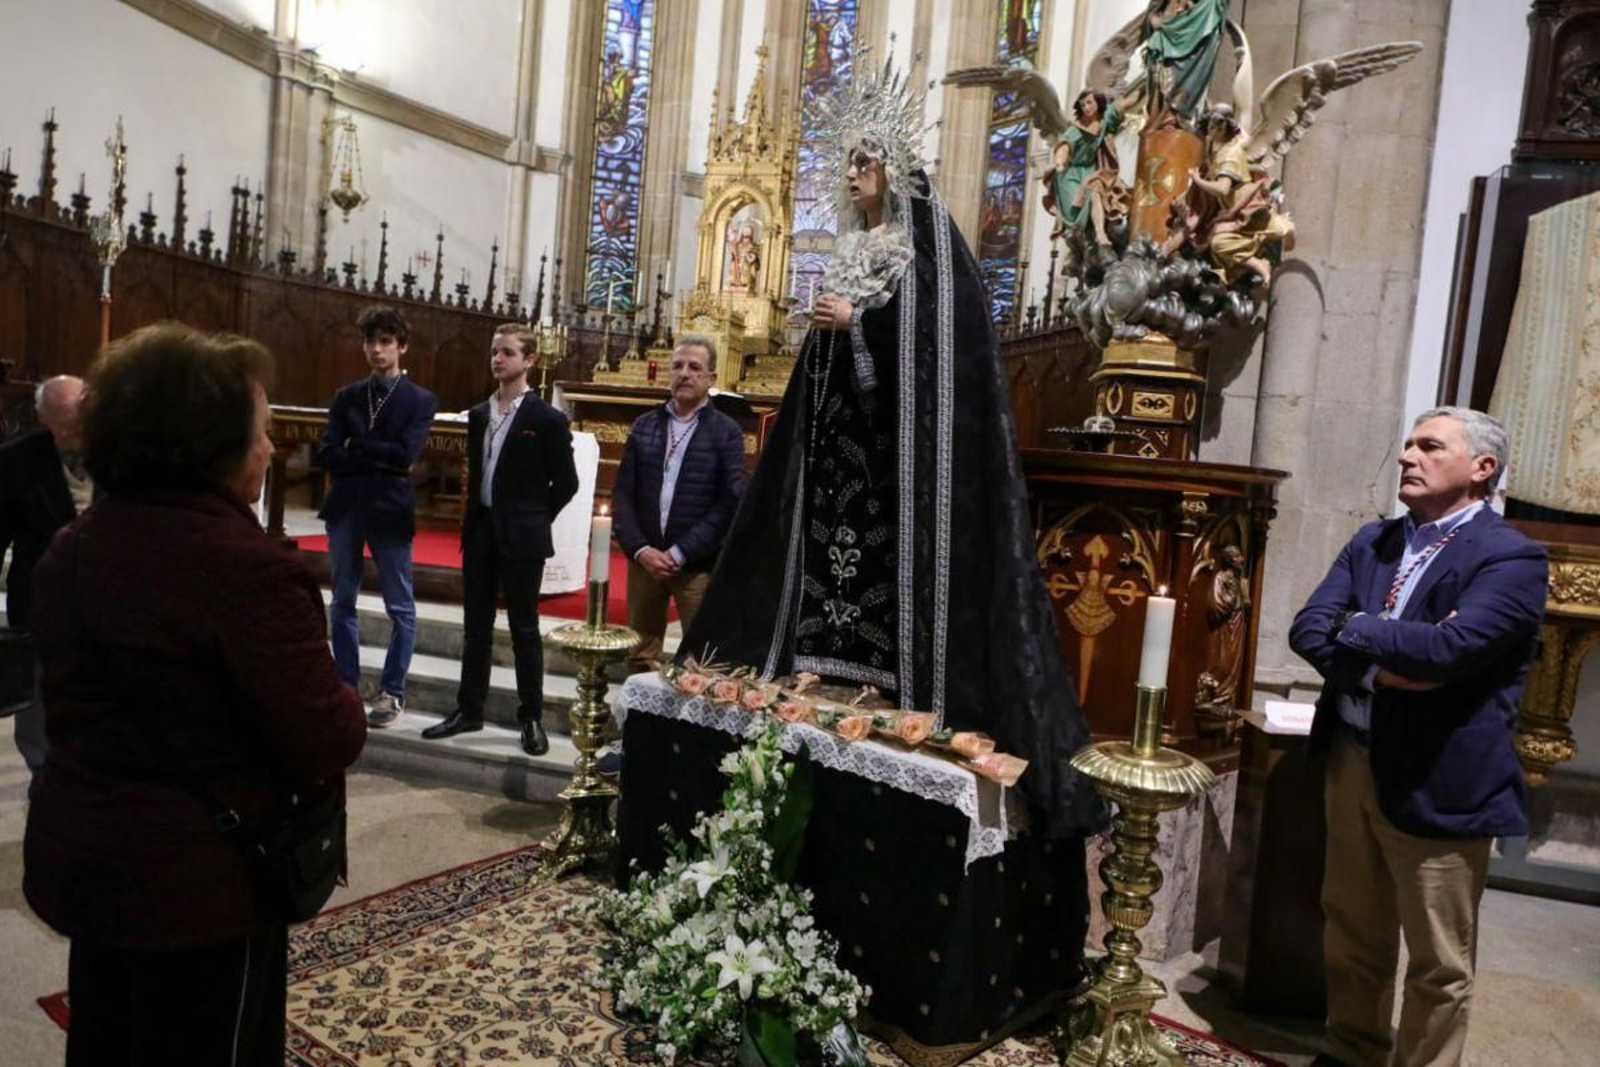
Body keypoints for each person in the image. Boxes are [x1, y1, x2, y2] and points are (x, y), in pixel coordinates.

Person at [682, 67, 1100, 841]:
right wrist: (827, 336)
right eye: (846, 161)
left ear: (895, 169)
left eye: (863, 161)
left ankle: (900, 682)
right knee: (825, 559)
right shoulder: (854, 244)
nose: (850, 174)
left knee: (886, 565)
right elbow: (833, 347)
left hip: (901, 460)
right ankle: (821, 662)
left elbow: (945, 355)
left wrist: (861, 328)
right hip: (839, 446)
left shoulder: (929, 246)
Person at [23, 323, 367, 1066]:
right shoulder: (247, 572)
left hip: (95, 859)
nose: (273, 450)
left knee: (109, 1040)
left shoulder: (71, 547)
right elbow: (329, 734)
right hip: (204, 886)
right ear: (207, 442)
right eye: (262, 433)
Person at [1290, 407, 1547, 1067]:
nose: (1407, 455)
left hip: (1440, 777)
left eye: (1429, 446)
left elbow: (1448, 649)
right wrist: (1387, 660)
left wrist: (1360, 629)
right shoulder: (1374, 540)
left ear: (1481, 467)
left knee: (1438, 959)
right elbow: (1308, 626)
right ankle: (1351, 1052)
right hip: (1352, 759)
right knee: (1351, 931)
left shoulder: (1511, 556)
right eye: (1407, 444)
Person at [423, 323, 578, 756]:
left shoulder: (545, 418)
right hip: (481, 532)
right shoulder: (477, 413)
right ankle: (468, 709)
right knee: (476, 628)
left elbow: (566, 482)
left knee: (525, 628)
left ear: (529, 360)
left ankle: (531, 718)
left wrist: (532, 518)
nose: (497, 359)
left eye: (507, 352)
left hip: (522, 536)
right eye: (494, 351)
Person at [317, 305, 439, 728]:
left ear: (402, 346)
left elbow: (406, 454)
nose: (376, 349)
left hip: (389, 509)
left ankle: (392, 692)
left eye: (385, 341)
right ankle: (346, 686)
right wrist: (372, 453)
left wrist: (356, 447)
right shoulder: (346, 396)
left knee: (400, 606)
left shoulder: (419, 400)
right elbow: (326, 453)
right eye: (370, 341)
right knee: (343, 601)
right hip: (347, 506)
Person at [612, 336, 746, 674]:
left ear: (711, 378)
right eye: (677, 366)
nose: (684, 374)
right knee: (640, 656)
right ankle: (641, 726)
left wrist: (680, 552)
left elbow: (730, 501)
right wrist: (640, 549)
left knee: (705, 662)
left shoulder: (725, 432)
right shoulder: (645, 426)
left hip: (695, 567)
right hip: (645, 564)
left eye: (695, 367)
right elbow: (623, 494)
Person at [0, 375, 87, 783]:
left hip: (103, 597)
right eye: (65, 423)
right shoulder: (16, 461)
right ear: (43, 419)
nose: (76, 432)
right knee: (36, 704)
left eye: (82, 419)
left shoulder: (120, 451)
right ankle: (43, 779)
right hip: (38, 596)